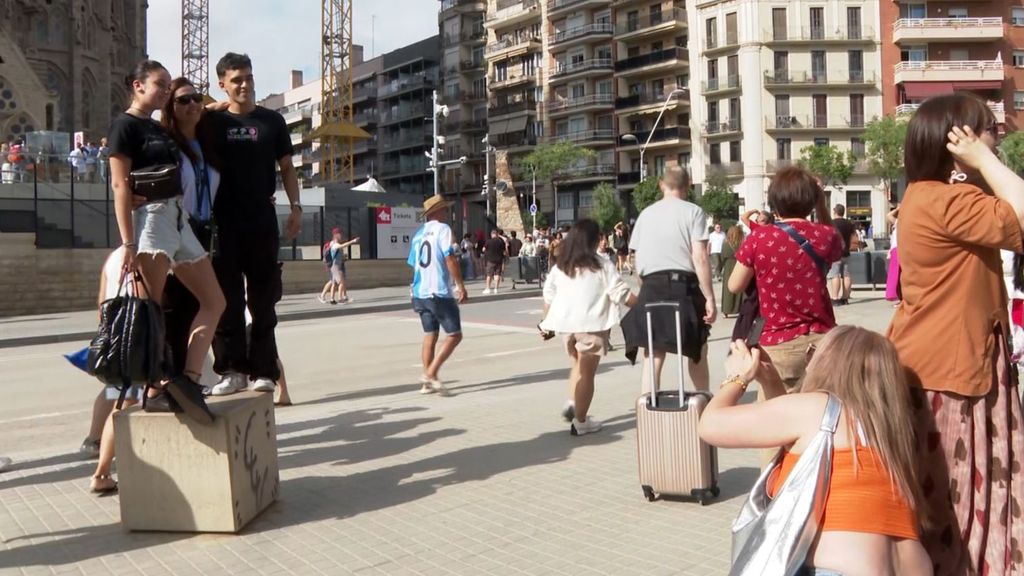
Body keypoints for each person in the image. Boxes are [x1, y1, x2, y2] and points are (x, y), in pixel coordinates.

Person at [888, 93, 1024, 574]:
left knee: (948, 497)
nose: (997, 137)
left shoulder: (925, 195)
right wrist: (983, 159)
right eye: (989, 129)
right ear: (959, 141)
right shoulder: (950, 200)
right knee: (958, 500)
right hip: (952, 374)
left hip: (946, 365)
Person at [699, 328, 931, 575]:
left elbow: (710, 426)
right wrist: (771, 382)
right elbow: (802, 443)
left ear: (828, 364)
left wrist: (737, 377)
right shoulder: (891, 434)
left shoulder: (818, 407)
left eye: (813, 353)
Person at [108, 59, 223, 423]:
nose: (165, 91)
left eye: (167, 86)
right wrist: (128, 243)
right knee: (151, 308)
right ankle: (155, 390)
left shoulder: (156, 126)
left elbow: (202, 110)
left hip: (177, 218)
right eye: (159, 84)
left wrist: (214, 105)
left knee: (215, 301)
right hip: (151, 221)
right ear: (137, 85)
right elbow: (119, 185)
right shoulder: (125, 126)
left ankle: (188, 381)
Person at [205, 52, 301, 397]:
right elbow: (181, 127)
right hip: (224, 223)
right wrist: (210, 109)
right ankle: (231, 371)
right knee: (226, 301)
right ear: (222, 85)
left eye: (248, 77)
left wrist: (295, 207)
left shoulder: (272, 121)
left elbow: (287, 169)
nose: (244, 84)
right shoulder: (212, 123)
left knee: (263, 302)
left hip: (262, 220)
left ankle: (264, 372)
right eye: (236, 80)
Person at [728, 166, 842, 391]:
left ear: (774, 201)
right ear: (812, 200)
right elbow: (834, 239)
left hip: (778, 342)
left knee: (774, 419)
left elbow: (734, 285)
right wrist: (820, 204)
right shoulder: (827, 236)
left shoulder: (759, 237)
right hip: (823, 341)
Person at [621, 166, 716, 392]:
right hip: (683, 284)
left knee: (653, 352)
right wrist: (710, 297)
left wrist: (643, 287)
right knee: (697, 348)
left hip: (651, 285)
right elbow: (700, 256)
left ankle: (647, 406)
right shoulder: (694, 212)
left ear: (661, 185)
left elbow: (636, 257)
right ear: (687, 186)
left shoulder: (645, 214)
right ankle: (704, 399)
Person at [540, 219, 636, 435]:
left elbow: (549, 295)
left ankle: (572, 404)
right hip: (591, 325)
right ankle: (581, 421)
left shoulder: (561, 266)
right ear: (593, 240)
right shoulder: (601, 264)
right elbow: (620, 293)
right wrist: (644, 304)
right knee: (587, 373)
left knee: (577, 365)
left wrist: (546, 324)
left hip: (566, 326)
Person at [409, 195, 468, 396]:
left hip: (419, 291)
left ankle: (427, 381)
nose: (446, 213)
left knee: (430, 335)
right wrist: (460, 285)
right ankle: (431, 374)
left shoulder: (418, 234)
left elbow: (413, 264)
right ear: (437, 212)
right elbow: (449, 257)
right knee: (454, 334)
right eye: (444, 209)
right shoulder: (443, 230)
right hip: (438, 291)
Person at [828, 204, 855, 306]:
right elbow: (853, 236)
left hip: (835, 253)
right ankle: (845, 298)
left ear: (835, 211)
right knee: (847, 275)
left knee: (835, 276)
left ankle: (835, 298)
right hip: (846, 253)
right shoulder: (848, 223)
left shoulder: (831, 223)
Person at [323, 227, 358, 304]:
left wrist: (343, 258)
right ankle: (340, 299)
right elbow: (343, 245)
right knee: (342, 282)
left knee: (334, 283)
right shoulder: (335, 244)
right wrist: (353, 241)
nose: (341, 236)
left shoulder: (333, 244)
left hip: (334, 266)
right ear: (336, 235)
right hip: (336, 267)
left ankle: (332, 299)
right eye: (339, 234)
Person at [719, 225, 744, 318]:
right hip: (740, 265)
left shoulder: (726, 244)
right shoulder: (742, 243)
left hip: (728, 267)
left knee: (727, 289)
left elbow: (722, 256)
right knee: (740, 288)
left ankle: (727, 309)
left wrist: (720, 268)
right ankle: (740, 308)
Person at [483, 228, 507, 295]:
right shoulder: (501, 241)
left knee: (489, 274)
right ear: (497, 234)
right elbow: (504, 251)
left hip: (490, 260)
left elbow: (484, 249)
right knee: (497, 274)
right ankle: (496, 288)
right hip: (499, 260)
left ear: (492, 234)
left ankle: (488, 288)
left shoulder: (488, 241)